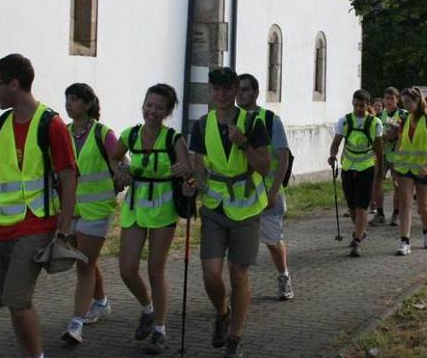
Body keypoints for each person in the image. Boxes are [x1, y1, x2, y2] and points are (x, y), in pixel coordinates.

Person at [0, 54, 78, 358]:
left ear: (15, 84)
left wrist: (64, 232)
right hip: (2, 228)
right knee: (9, 301)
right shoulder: (1, 123)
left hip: (37, 226)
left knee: (18, 299)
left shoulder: (51, 124)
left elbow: (69, 178)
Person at [190, 67, 270, 358]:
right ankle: (222, 312)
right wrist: (191, 186)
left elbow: (264, 166)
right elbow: (199, 167)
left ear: (236, 90)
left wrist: (244, 143)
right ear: (210, 91)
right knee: (211, 274)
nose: (221, 95)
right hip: (213, 207)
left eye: (227, 89)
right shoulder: (201, 125)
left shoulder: (253, 123)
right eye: (216, 89)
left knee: (238, 275)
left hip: (246, 207)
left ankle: (234, 337)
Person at [112, 83, 192, 354]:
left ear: (168, 111)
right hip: (135, 208)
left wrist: (184, 172)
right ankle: (147, 309)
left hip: (163, 210)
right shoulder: (130, 134)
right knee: (126, 269)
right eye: (149, 105)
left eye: (159, 107)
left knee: (155, 271)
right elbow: (112, 158)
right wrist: (121, 170)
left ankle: (159, 329)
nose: (152, 111)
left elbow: (188, 171)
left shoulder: (173, 139)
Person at [60, 83, 118, 345]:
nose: (69, 104)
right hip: (70, 209)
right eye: (67, 99)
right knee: (84, 261)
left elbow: (120, 162)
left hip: (97, 209)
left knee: (84, 264)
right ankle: (101, 302)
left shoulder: (103, 134)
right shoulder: (62, 133)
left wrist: (122, 173)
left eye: (74, 99)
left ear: (87, 104)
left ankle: (76, 324)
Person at [236, 73, 294, 301]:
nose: (241, 94)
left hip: (267, 193)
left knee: (272, 240)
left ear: (256, 93)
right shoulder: (231, 120)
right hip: (239, 195)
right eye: (238, 90)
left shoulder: (270, 120)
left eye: (246, 90)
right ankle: (240, 287)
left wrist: (273, 191)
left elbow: (283, 158)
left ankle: (283, 275)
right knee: (239, 243)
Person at [328, 89, 384, 257]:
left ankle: (357, 240)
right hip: (348, 167)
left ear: (368, 105)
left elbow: (379, 150)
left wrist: (379, 171)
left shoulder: (375, 123)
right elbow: (336, 143)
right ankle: (360, 229)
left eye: (361, 105)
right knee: (351, 206)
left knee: (361, 206)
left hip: (366, 167)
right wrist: (332, 156)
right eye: (355, 105)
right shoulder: (344, 121)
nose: (358, 108)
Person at [392, 87, 427, 255]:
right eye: (404, 102)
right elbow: (400, 143)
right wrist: (394, 163)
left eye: (409, 102)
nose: (406, 105)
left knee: (423, 206)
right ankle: (404, 242)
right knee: (405, 204)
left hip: (424, 168)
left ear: (418, 101)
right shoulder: (404, 120)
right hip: (405, 167)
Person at [370, 87, 407, 227]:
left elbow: (394, 133)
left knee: (397, 185)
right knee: (376, 182)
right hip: (382, 154)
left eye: (392, 98)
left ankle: (396, 214)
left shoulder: (402, 114)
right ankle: (380, 213)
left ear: (397, 100)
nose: (389, 101)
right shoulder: (379, 116)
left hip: (397, 155)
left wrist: (385, 137)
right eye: (387, 98)